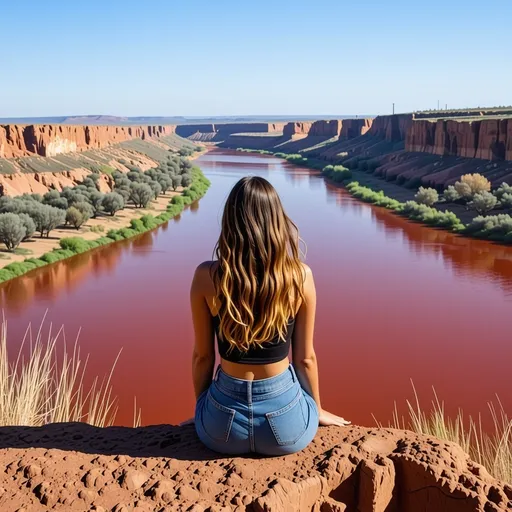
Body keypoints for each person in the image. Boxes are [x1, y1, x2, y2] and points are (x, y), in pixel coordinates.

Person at [189, 176, 349, 456]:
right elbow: (305, 359)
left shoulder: (207, 276)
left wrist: (204, 411)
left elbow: (203, 357)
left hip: (220, 428)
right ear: (276, 221)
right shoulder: (300, 276)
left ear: (231, 221)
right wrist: (318, 409)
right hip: (286, 426)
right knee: (305, 403)